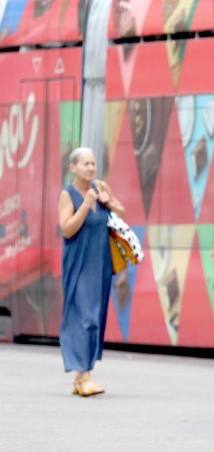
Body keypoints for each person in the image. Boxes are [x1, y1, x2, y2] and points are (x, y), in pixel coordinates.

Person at [57, 147, 125, 396]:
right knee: (84, 316)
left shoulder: (100, 187)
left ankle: (81, 376)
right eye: (85, 164)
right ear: (72, 167)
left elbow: (121, 212)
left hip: (101, 262)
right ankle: (83, 375)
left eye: (93, 163)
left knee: (96, 317)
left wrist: (110, 202)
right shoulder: (67, 195)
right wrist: (86, 205)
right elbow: (66, 229)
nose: (90, 168)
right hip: (79, 262)